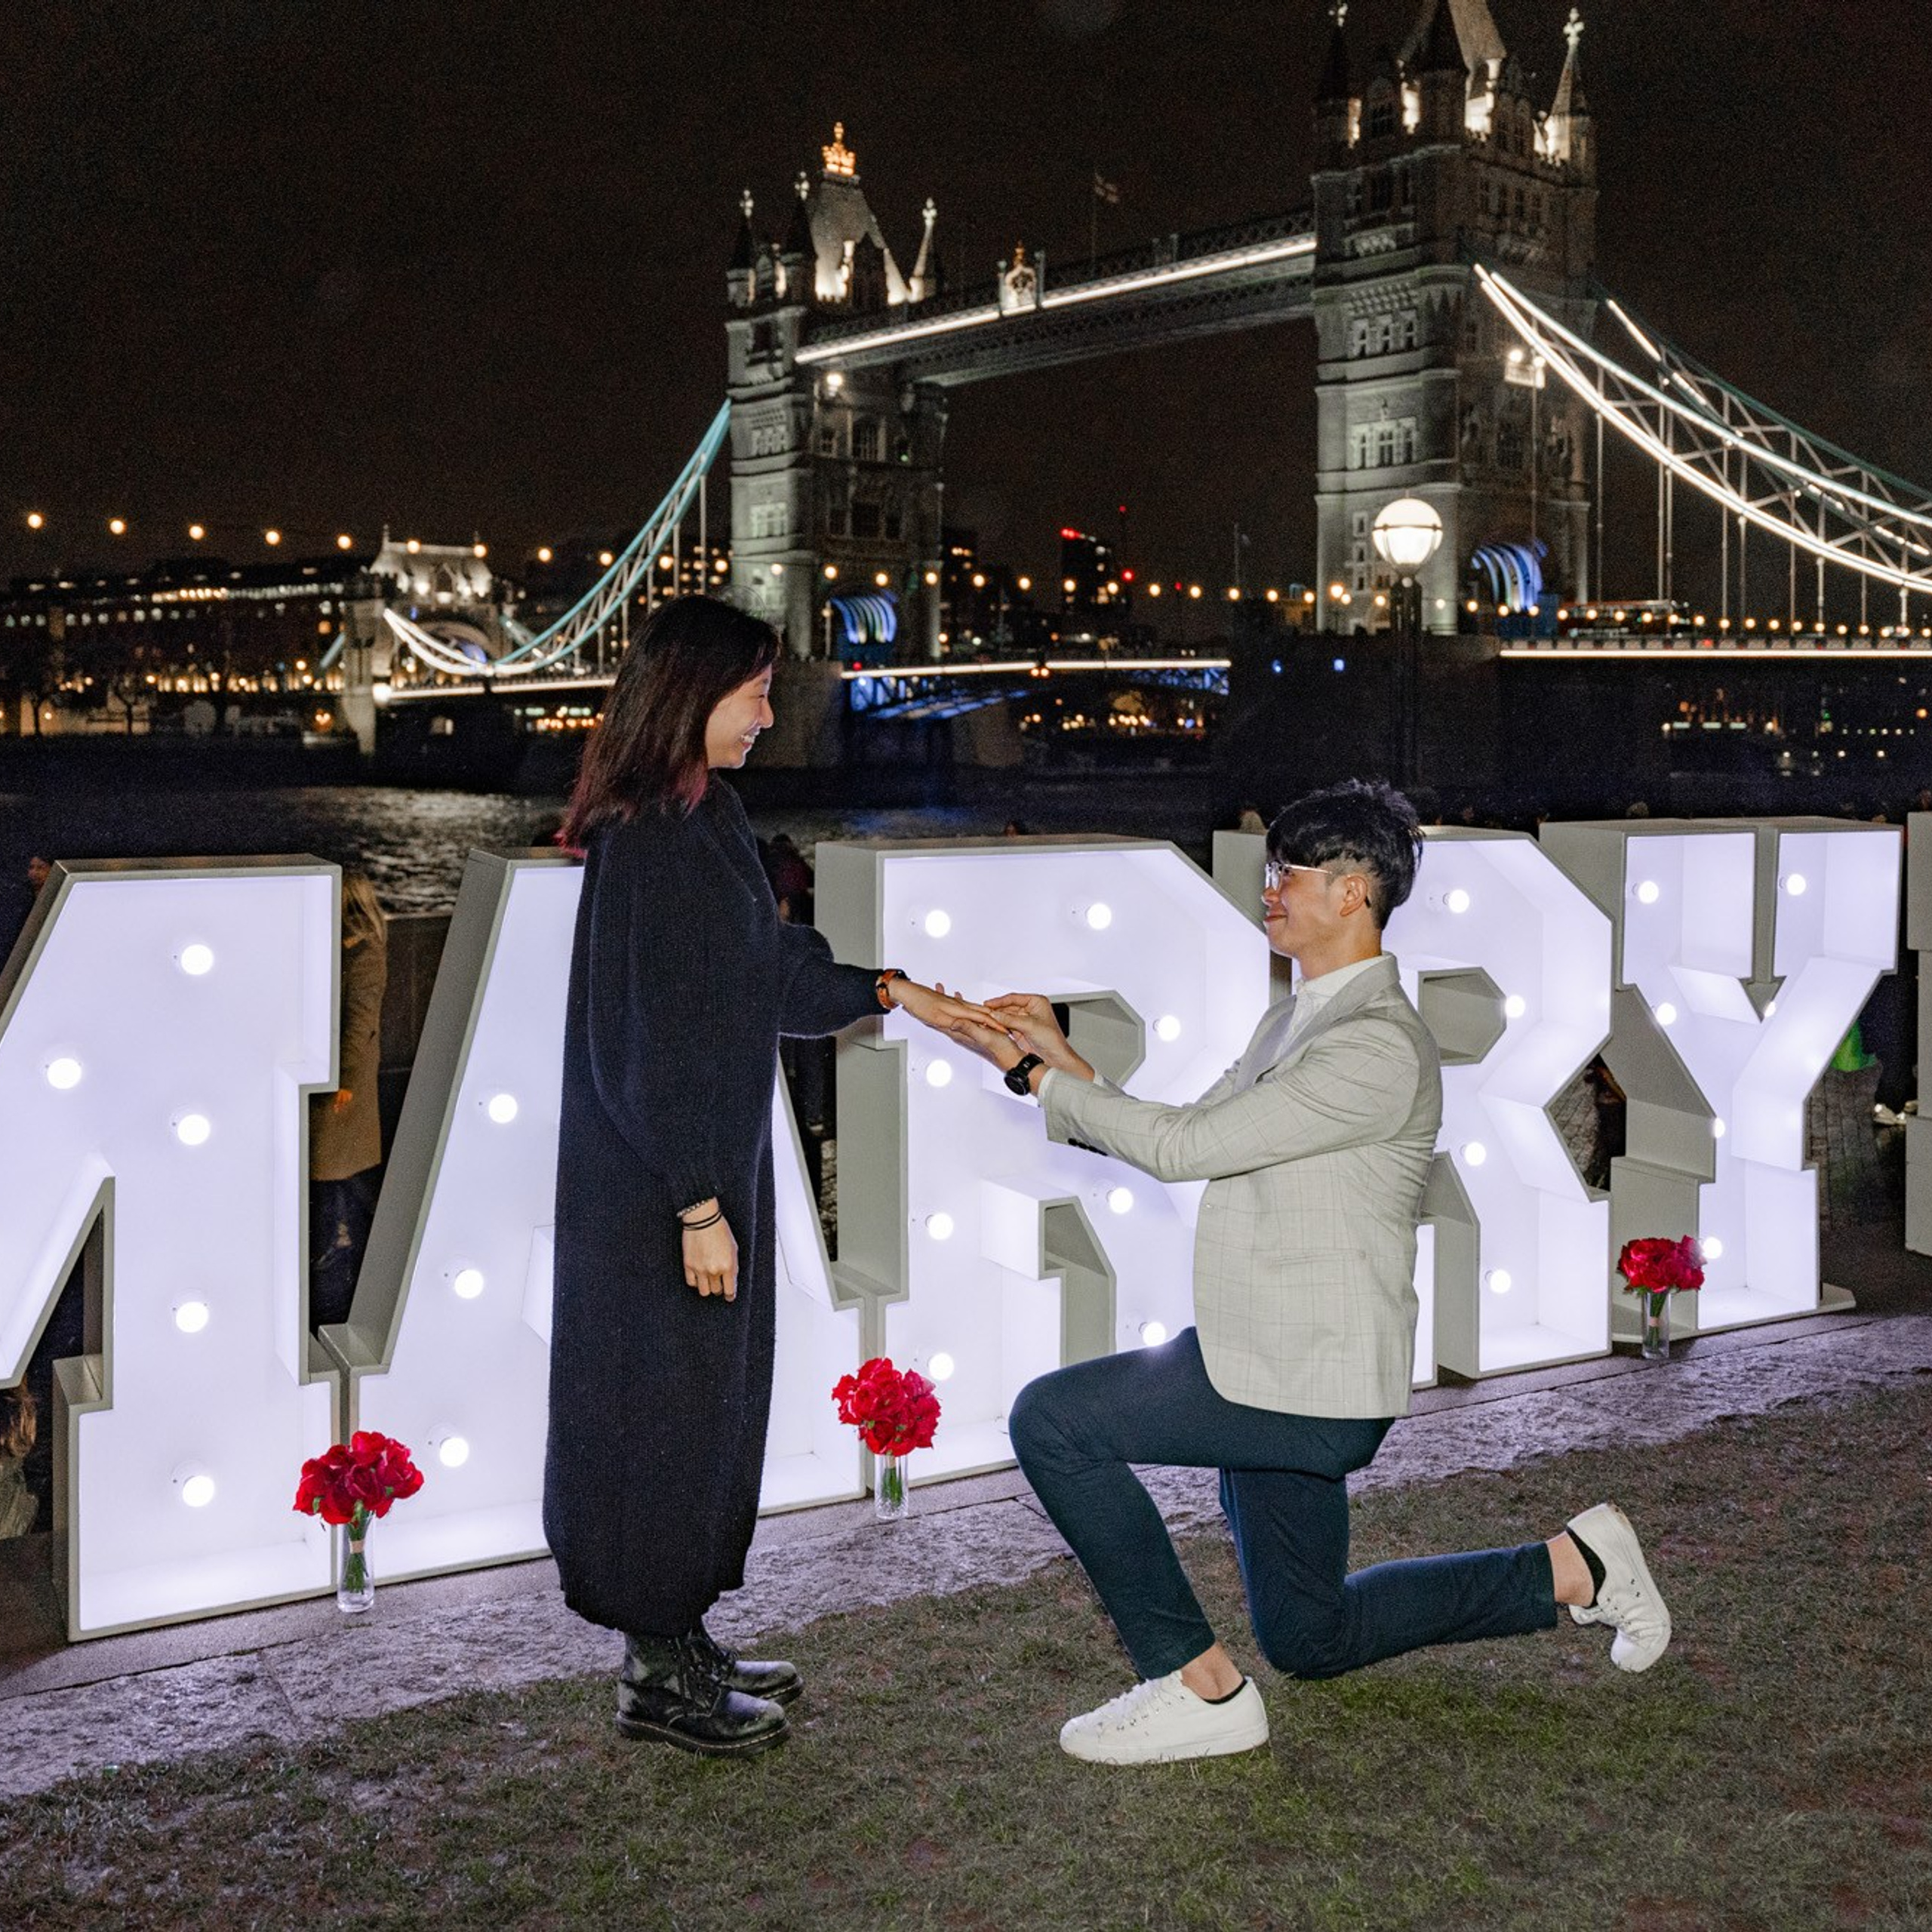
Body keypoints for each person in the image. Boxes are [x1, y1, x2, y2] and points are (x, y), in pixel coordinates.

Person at [945, 779, 1671, 1766]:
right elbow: (1185, 1131)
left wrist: (1032, 1076)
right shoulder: (1296, 1021)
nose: (1269, 888)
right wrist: (1057, 1056)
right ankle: (1573, 1567)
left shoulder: (1375, 1045)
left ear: (1352, 892)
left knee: (1053, 1422)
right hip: (1267, 1354)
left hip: (1303, 1381)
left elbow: (1183, 1149)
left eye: (1289, 872)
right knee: (1311, 1636)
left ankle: (1197, 1685)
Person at [545, 595, 986, 1760]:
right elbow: (639, 1044)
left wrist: (886, 990)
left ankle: (678, 1636)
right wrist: (697, 1202)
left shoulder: (708, 815)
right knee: (655, 1416)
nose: (768, 714)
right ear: (693, 694)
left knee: (702, 1410)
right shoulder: (649, 837)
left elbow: (758, 976)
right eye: (754, 692)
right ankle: (655, 1675)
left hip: (697, 1174)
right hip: (657, 1194)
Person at [309, 872, 388, 1331]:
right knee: (338, 1180)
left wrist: (343, 1083)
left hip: (342, 1092)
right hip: (339, 1088)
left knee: (333, 1178)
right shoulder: (347, 948)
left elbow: (360, 1023)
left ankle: (333, 1277)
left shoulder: (364, 954)